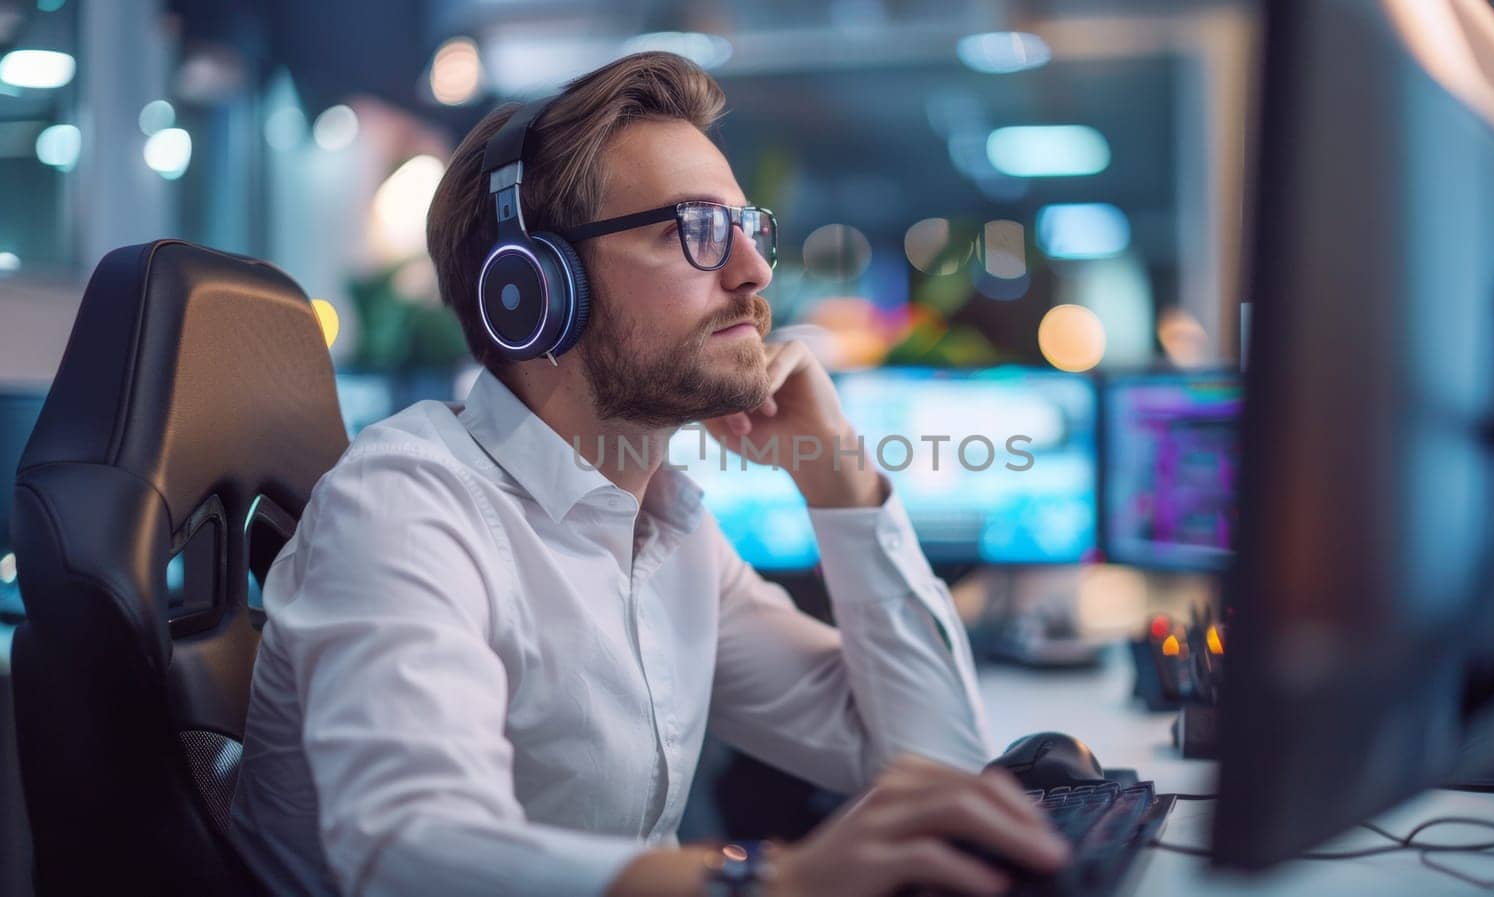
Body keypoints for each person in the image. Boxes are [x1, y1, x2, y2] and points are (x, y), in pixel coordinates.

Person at [230, 51, 1068, 897]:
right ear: (533, 285)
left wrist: (838, 474)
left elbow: (935, 761)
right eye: (696, 230)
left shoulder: (669, 531)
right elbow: (411, 853)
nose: (754, 271)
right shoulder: (407, 508)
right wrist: (776, 882)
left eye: (750, 228)